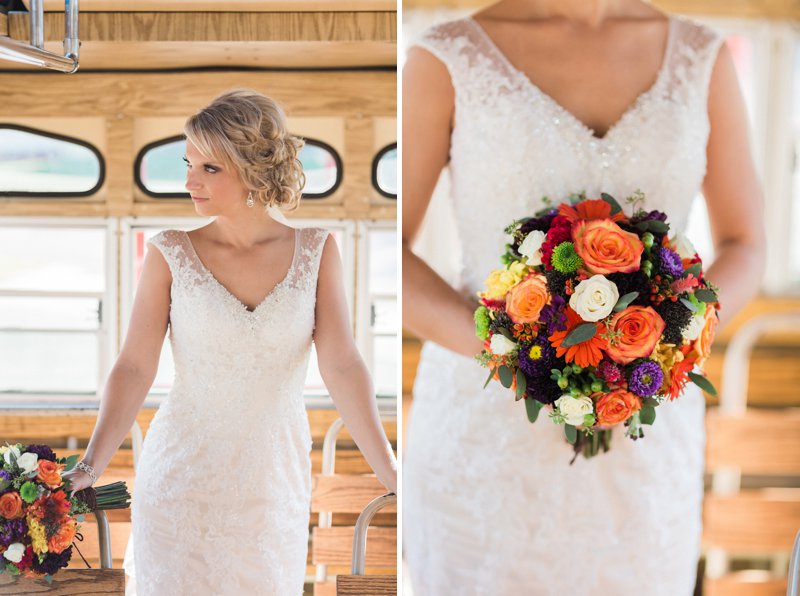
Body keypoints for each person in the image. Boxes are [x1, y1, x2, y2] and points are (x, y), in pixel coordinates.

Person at [402, 0, 765, 594]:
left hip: (645, 435)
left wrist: (671, 337)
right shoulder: (444, 55)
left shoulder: (702, 55)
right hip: (488, 430)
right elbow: (396, 248)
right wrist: (517, 350)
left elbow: (745, 241)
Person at [61, 89, 397, 595]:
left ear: (254, 168)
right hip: (180, 481)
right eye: (188, 164)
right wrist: (89, 466)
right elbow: (134, 366)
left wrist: (394, 474)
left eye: (209, 169)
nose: (190, 181)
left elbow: (343, 367)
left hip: (271, 483)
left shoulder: (317, 251)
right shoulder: (169, 252)